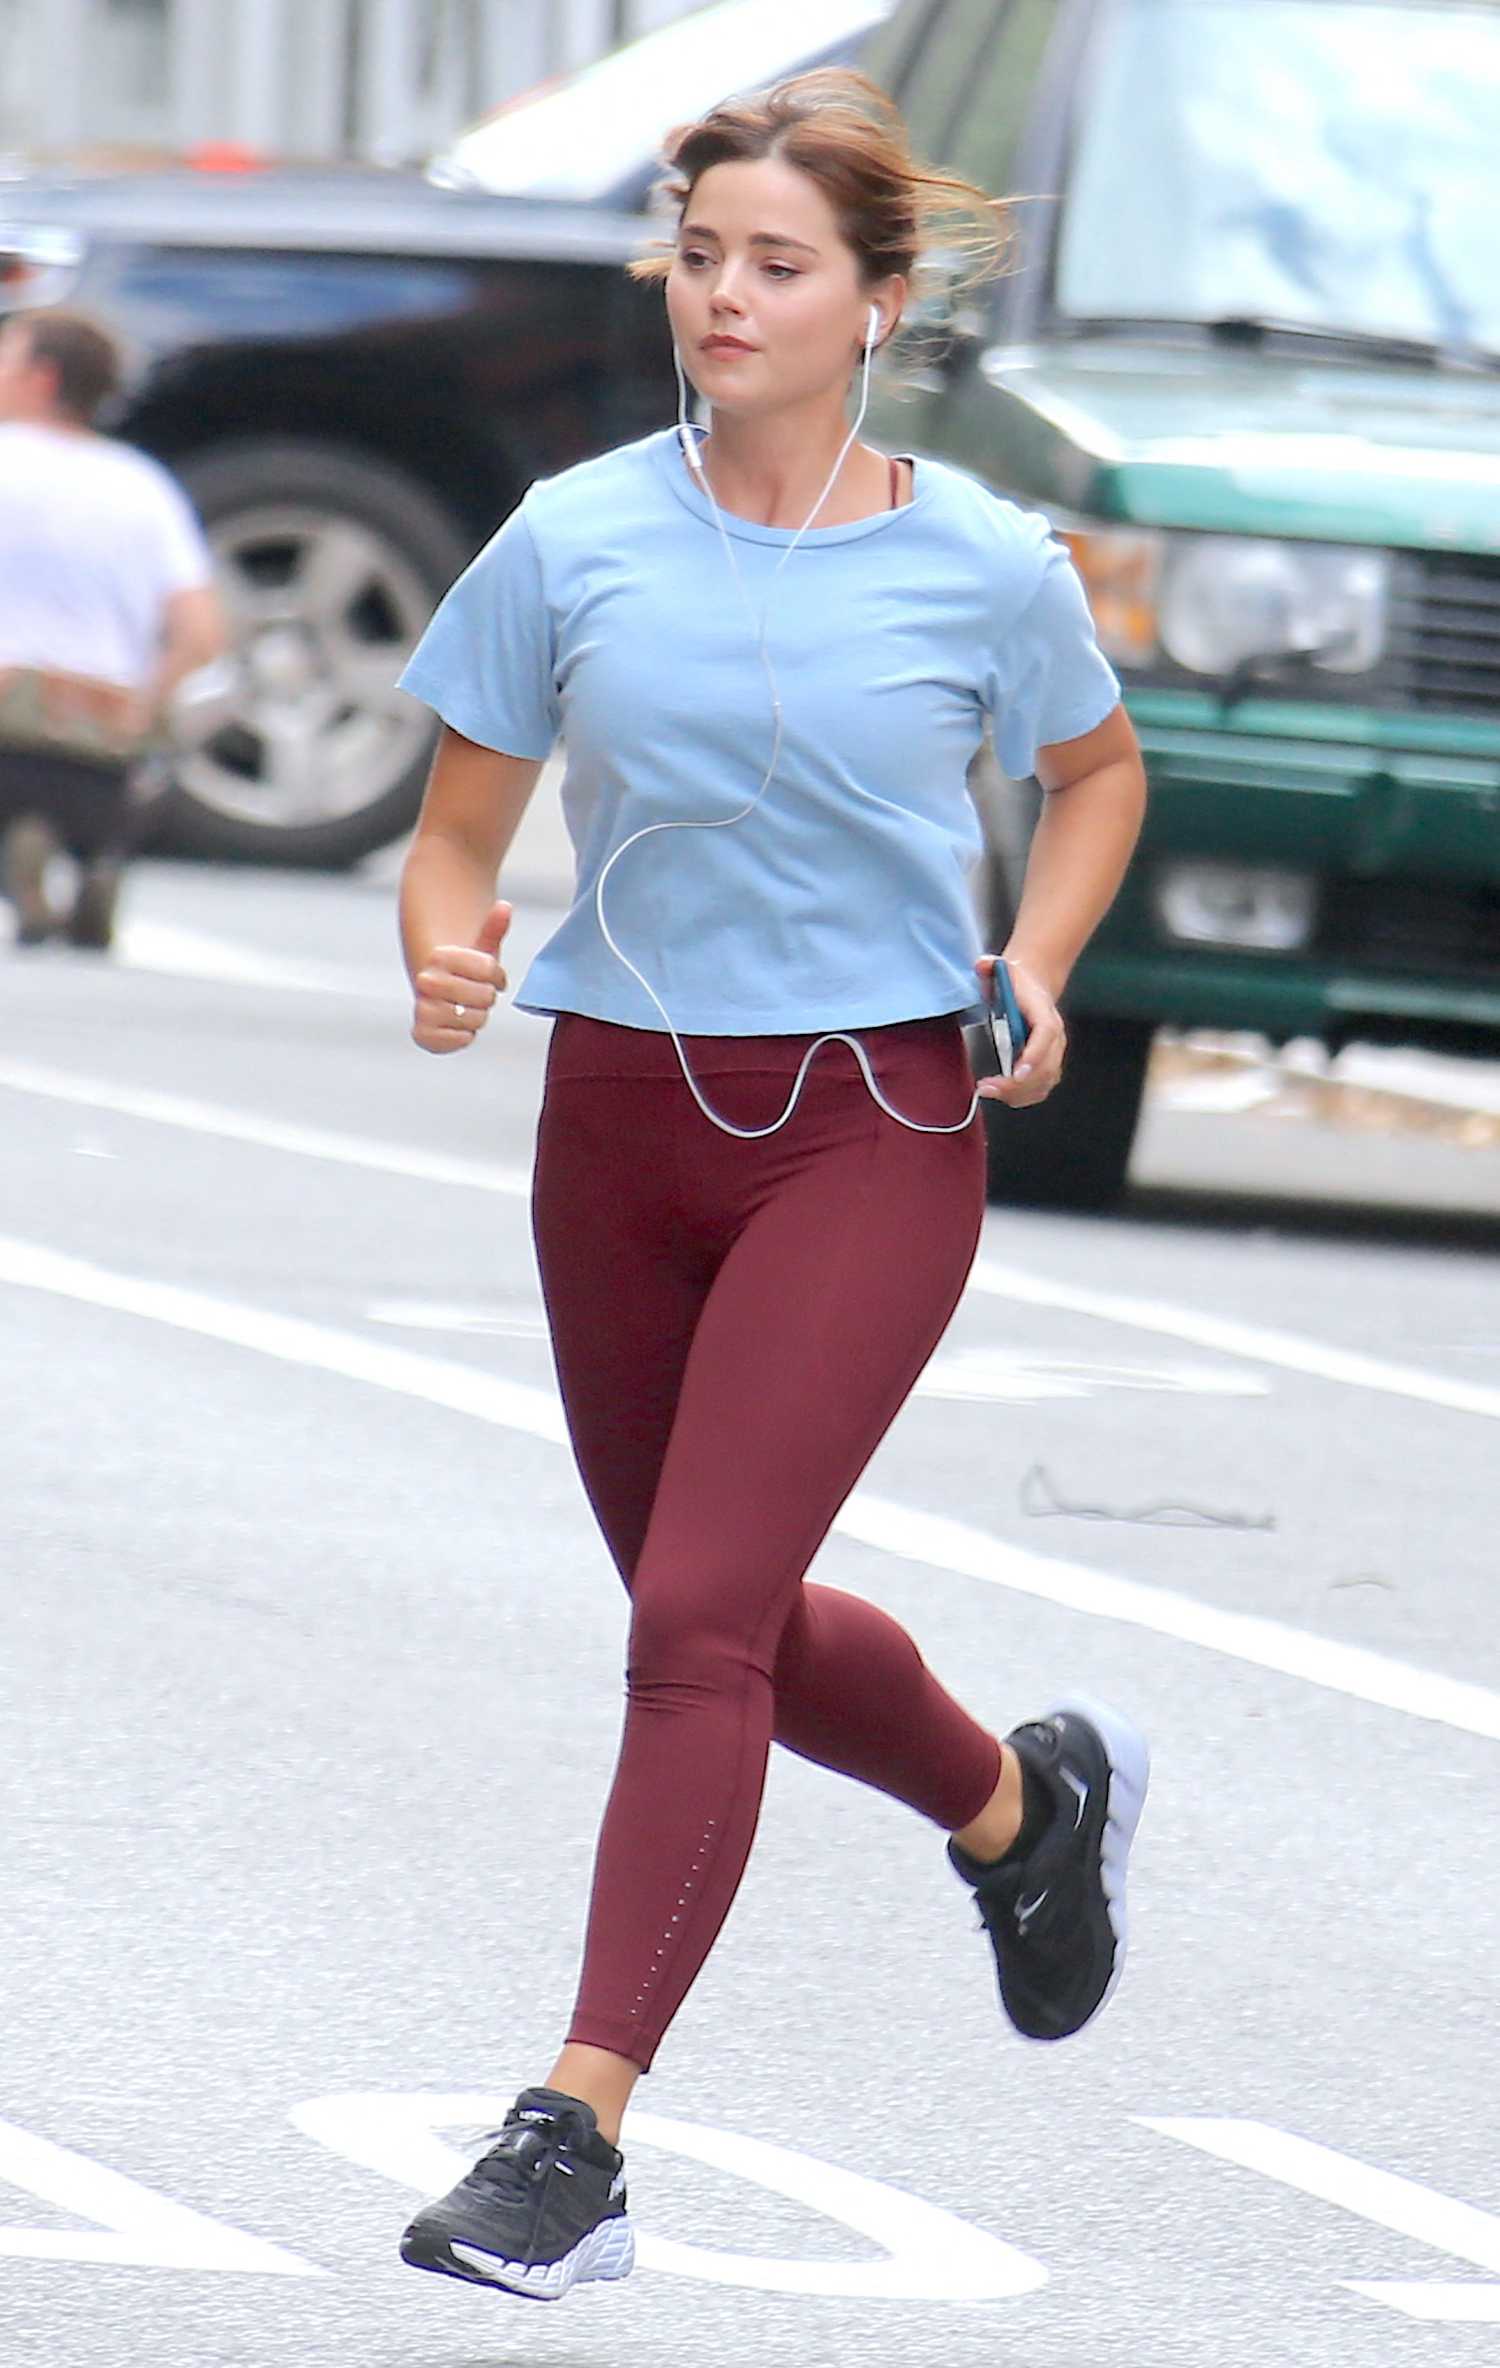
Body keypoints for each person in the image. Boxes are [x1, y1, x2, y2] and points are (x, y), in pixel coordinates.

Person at [394, 69, 1151, 2307]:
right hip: (618, 1121)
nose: (724, 295)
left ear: (875, 306)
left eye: (776, 264)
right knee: (704, 1603)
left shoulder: (985, 560)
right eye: (700, 255)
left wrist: (1039, 956)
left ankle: (576, 2131)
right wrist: (445, 927)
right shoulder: (572, 532)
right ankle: (1020, 1807)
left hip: (874, 1121)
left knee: (689, 1618)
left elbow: (1097, 777)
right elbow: (456, 821)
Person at [0, 307, 226, 950]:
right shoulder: (144, 486)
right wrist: (144, 706)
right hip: (101, 744)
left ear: (41, 378)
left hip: (7, 729)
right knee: (125, 773)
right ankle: (96, 853)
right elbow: (201, 633)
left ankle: (21, 850)